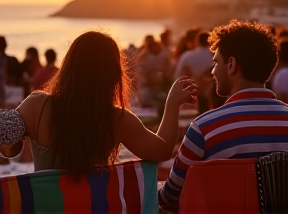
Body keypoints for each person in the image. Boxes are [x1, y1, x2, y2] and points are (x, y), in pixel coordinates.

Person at [0, 31, 198, 179]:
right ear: (112, 75)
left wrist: (18, 132)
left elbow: (8, 148)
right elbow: (162, 151)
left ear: (68, 66)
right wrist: (172, 103)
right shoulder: (117, 119)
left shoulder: (36, 106)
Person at [158, 20, 288, 213]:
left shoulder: (205, 128)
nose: (212, 72)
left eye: (216, 62)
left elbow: (169, 199)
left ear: (231, 65)